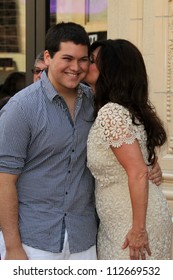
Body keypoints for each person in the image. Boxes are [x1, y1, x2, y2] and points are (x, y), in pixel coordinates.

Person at [0, 22, 162, 260]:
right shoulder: (21, 108)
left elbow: (124, 141)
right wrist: (13, 246)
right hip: (34, 240)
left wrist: (150, 164)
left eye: (83, 59)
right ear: (47, 57)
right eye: (67, 58)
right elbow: (4, 181)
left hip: (84, 239)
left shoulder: (95, 103)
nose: (75, 67)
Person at [86, 39, 172, 260]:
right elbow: (142, 163)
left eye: (93, 61)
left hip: (132, 227)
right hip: (123, 222)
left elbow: (138, 171)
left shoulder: (111, 113)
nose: (86, 65)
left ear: (111, 70)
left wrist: (138, 230)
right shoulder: (125, 110)